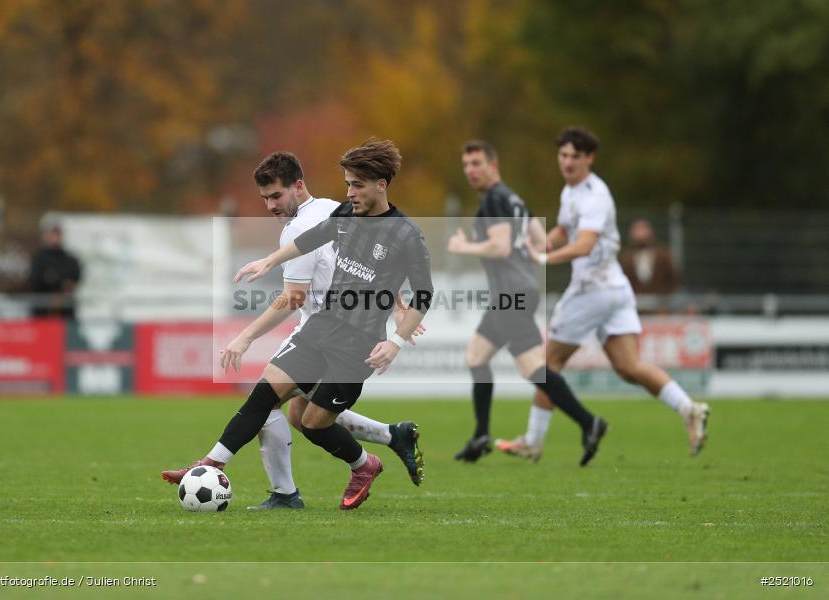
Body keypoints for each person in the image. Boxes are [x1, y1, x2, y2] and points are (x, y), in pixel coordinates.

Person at [163, 139, 434, 510]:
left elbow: (424, 293)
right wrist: (270, 261)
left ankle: (364, 466)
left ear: (381, 185)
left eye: (357, 185)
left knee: (313, 422)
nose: (349, 193)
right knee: (264, 396)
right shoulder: (344, 213)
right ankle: (211, 464)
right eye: (347, 184)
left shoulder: (407, 235)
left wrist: (395, 341)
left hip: (358, 344)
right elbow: (311, 239)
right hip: (320, 326)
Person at [513, 127, 709, 460]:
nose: (568, 162)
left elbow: (585, 244)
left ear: (590, 158)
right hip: (616, 288)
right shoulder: (571, 190)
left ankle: (533, 440)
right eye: (563, 155)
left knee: (547, 365)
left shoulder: (595, 195)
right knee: (629, 367)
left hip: (593, 291)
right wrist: (546, 242)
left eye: (576, 156)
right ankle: (689, 409)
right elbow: (565, 229)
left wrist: (544, 258)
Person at [447, 140, 608, 466]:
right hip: (516, 289)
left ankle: (588, 421)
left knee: (532, 368)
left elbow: (501, 247)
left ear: (494, 165)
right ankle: (481, 435)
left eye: (477, 163)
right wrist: (531, 257)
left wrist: (464, 247)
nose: (470, 171)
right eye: (466, 165)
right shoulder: (513, 198)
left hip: (511, 293)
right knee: (476, 356)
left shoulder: (493, 199)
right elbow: (540, 239)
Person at [618, 218, 680, 313]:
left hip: (660, 309)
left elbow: (673, 279)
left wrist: (666, 302)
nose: (640, 233)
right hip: (634, 308)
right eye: (637, 229)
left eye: (643, 229)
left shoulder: (663, 255)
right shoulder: (625, 257)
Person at [28, 217, 82, 319]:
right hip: (42, 315)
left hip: (65, 315)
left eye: (57, 233)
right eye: (52, 233)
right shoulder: (39, 259)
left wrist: (54, 280)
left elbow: (74, 279)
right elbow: (37, 281)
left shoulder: (70, 260)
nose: (55, 237)